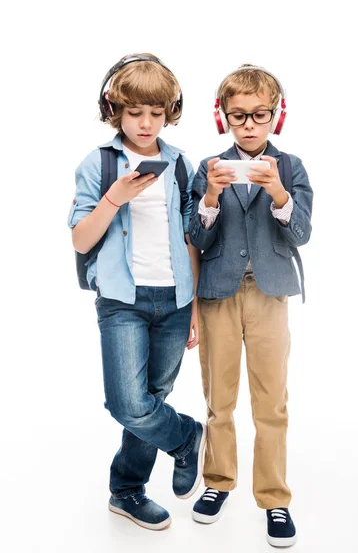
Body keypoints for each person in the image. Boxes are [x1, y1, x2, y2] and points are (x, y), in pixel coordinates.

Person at [68, 53, 206, 531]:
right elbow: (81, 238)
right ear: (115, 110)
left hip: (174, 299)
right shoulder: (99, 164)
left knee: (151, 396)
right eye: (135, 112)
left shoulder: (182, 164)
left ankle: (127, 491)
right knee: (127, 403)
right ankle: (186, 437)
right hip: (122, 301)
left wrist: (195, 309)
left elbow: (193, 237)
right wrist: (114, 199)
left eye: (156, 112)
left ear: (170, 111)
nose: (146, 123)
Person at [188, 65, 313, 547]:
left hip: (270, 293)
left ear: (276, 117)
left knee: (271, 402)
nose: (248, 124)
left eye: (259, 114)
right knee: (219, 398)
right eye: (237, 115)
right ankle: (218, 482)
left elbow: (301, 232)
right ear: (222, 118)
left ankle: (274, 497)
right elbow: (197, 237)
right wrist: (212, 196)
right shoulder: (208, 167)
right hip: (218, 294)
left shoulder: (292, 166)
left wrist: (278, 191)